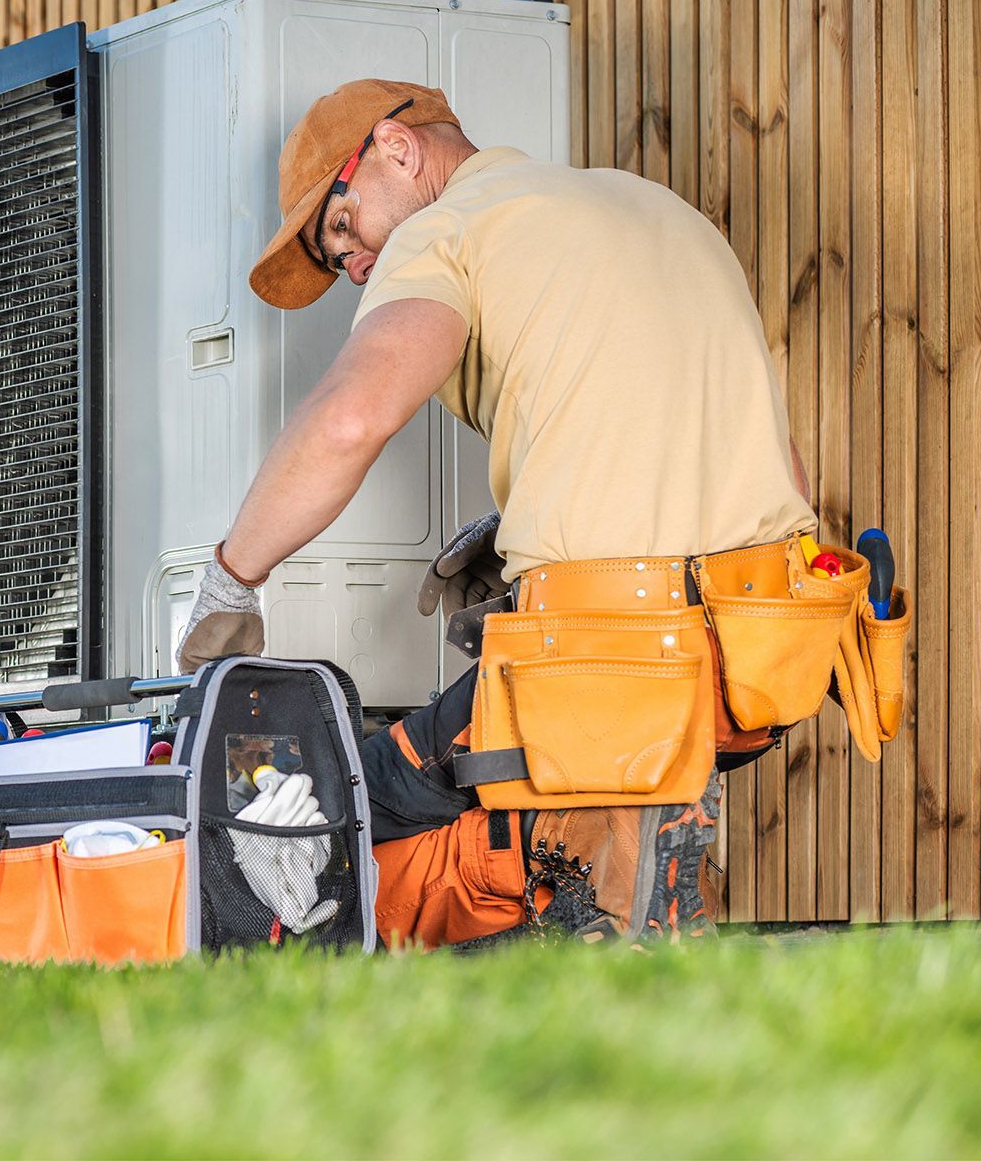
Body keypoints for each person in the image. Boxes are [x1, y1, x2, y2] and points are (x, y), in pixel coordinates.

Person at [175, 78, 818, 946]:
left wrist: (230, 579)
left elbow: (350, 418)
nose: (355, 266)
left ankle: (581, 911)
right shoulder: (656, 207)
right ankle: (619, 874)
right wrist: (540, 526)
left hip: (606, 656)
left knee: (342, 798)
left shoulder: (447, 229)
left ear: (395, 150)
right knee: (534, 787)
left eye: (341, 229)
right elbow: (776, 463)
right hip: (756, 653)